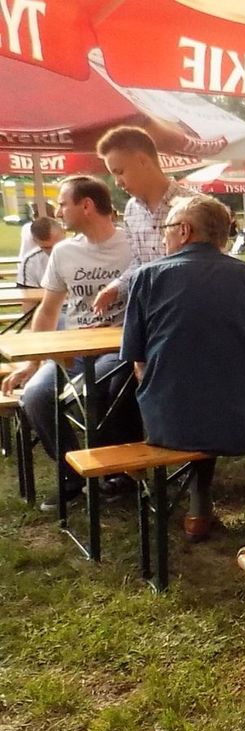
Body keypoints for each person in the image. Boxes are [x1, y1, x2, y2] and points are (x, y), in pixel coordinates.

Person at [120, 194, 245, 542]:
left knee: (196, 388)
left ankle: (198, 511)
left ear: (185, 230)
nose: (164, 236)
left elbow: (139, 365)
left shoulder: (145, 279)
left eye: (167, 228)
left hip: (172, 423)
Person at [1, 176, 137, 511]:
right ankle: (71, 474)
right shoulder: (63, 251)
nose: (57, 210)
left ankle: (115, 472)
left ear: (86, 206)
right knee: (35, 395)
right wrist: (31, 362)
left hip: (117, 349)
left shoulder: (132, 245)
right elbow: (48, 311)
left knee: (98, 388)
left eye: (63, 203)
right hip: (73, 349)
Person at [90, 126, 196, 315]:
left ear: (142, 160)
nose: (117, 182)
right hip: (151, 313)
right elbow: (140, 262)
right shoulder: (131, 210)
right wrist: (115, 288)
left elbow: (214, 264)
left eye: (119, 171)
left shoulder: (195, 206)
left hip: (189, 313)